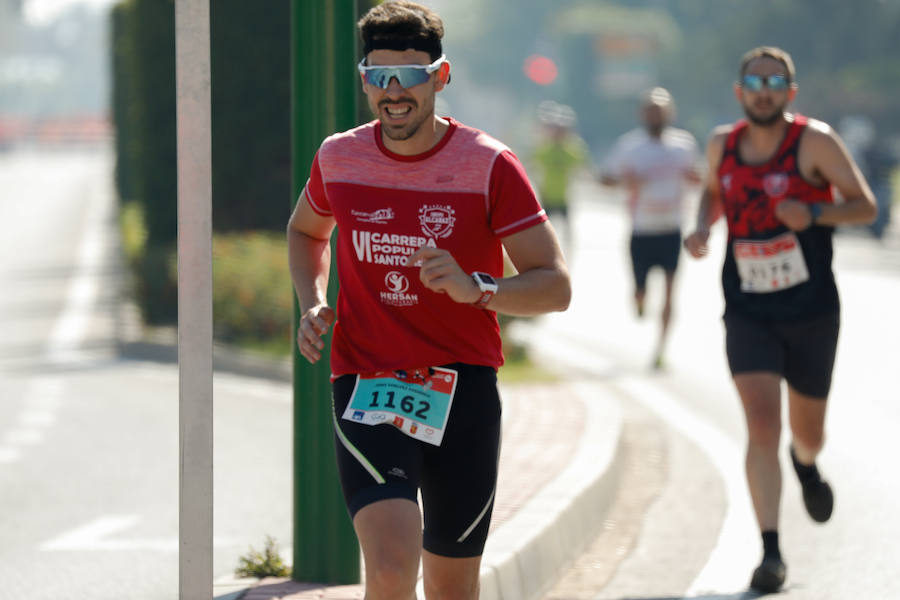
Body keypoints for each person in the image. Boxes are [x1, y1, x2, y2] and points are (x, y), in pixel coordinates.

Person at [286, 2, 571, 598]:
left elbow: (554, 286)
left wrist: (478, 289)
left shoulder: (489, 164)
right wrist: (313, 300)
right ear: (364, 79)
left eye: (410, 76)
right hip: (368, 379)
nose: (393, 92)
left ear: (440, 77)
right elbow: (307, 230)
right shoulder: (339, 157)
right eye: (378, 76)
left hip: (464, 388)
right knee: (391, 565)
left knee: (450, 586)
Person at [684, 46, 877, 593]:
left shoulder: (813, 142)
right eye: (754, 80)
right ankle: (771, 553)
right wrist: (702, 227)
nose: (763, 89)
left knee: (807, 432)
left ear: (789, 93)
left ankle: (807, 464)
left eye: (774, 81)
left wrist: (815, 212)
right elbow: (710, 193)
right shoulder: (723, 143)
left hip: (812, 309)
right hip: (748, 308)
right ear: (740, 90)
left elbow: (865, 206)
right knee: (762, 423)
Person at [600, 87, 701, 369]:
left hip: (671, 229)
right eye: (651, 111)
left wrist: (696, 179)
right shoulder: (629, 146)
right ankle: (640, 300)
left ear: (670, 113)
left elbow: (697, 177)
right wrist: (627, 182)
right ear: (643, 114)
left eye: (661, 110)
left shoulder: (684, 145)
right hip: (641, 230)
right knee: (641, 292)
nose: (656, 116)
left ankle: (661, 350)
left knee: (671, 292)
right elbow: (605, 178)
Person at [532, 100, 590, 252]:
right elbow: (532, 167)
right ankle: (546, 252)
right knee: (544, 231)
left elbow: (583, 167)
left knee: (567, 231)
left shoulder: (571, 150)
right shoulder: (545, 149)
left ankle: (567, 254)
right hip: (547, 196)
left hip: (564, 196)